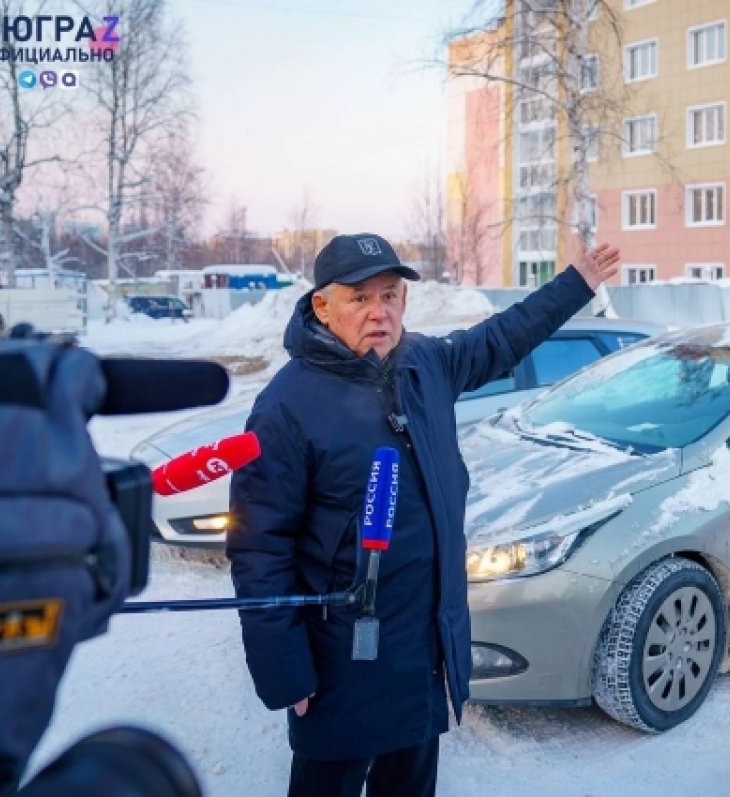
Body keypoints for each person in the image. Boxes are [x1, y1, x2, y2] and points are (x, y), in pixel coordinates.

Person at [227, 232, 620, 797]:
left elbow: (504, 336)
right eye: (359, 298)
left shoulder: (425, 365)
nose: (378, 312)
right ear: (323, 305)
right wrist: (283, 666)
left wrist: (577, 284)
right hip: (340, 657)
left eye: (389, 295)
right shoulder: (288, 405)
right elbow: (259, 546)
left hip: (420, 647)